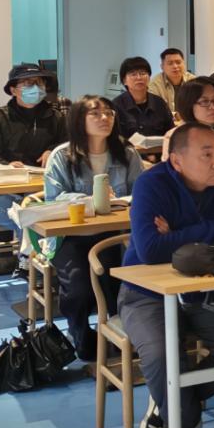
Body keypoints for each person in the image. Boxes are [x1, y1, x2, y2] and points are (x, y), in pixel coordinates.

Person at [118, 123, 214, 428]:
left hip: (205, 291)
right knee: (161, 355)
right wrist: (213, 228)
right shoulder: (152, 183)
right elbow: (150, 250)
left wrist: (178, 234)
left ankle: (171, 399)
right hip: (146, 293)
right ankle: (180, 417)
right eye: (206, 155)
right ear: (177, 161)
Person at [43, 95, 144, 360]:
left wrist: (121, 201)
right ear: (79, 119)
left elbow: (142, 191)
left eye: (109, 113)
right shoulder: (62, 156)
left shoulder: (126, 152)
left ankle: (122, 335)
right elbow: (53, 198)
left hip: (117, 234)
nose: (104, 118)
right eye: (96, 114)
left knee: (122, 284)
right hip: (73, 236)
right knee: (79, 289)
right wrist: (90, 200)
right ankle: (79, 332)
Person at [0, 63, 68, 236]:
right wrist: (7, 166)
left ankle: (30, 251)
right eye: (28, 83)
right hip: (2, 193)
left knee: (34, 214)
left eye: (39, 82)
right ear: (13, 90)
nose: (35, 88)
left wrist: (53, 151)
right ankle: (35, 251)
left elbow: (68, 146)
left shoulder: (57, 117)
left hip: (43, 191)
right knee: (27, 216)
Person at [112, 56, 174, 139]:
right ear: (124, 81)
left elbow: (170, 131)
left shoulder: (159, 103)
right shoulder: (116, 105)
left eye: (143, 73)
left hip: (158, 147)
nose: (139, 77)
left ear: (149, 77)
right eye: (133, 74)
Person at [148, 47, 193, 114]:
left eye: (178, 62)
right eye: (170, 63)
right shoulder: (154, 84)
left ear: (184, 64)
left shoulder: (193, 81)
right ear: (162, 67)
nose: (175, 66)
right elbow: (156, 110)